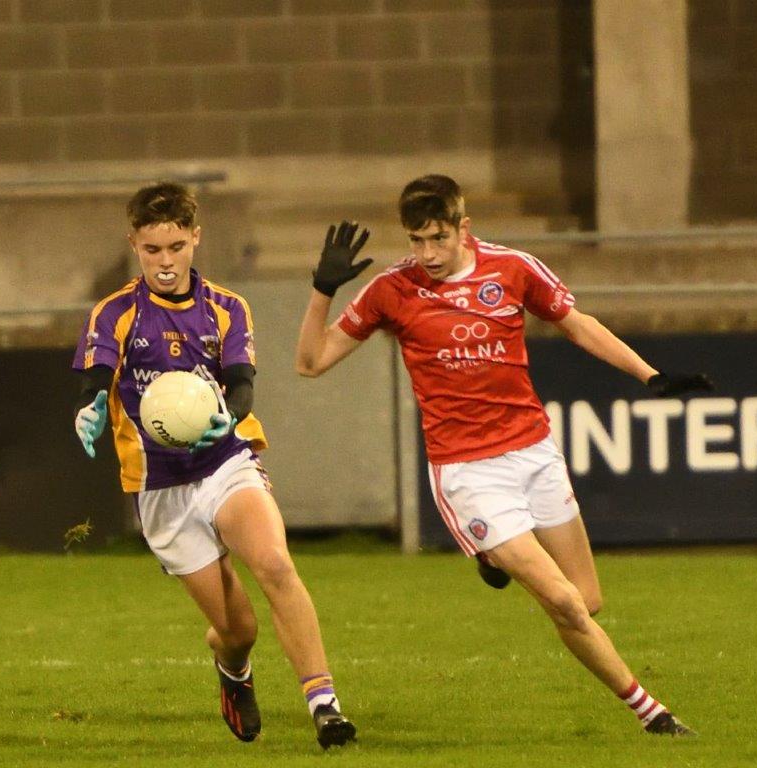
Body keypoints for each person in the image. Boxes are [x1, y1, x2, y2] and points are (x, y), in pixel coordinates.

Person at [295, 174, 712, 737]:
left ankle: (491, 557)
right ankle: (652, 714)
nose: (427, 254)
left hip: (534, 452)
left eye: (437, 238)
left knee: (587, 601)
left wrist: (650, 375)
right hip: (467, 472)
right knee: (563, 602)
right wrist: (322, 290)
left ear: (463, 228)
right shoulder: (392, 291)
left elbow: (577, 325)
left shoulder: (513, 268)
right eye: (416, 240)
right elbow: (312, 361)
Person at [72, 182, 356, 749]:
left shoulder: (226, 307)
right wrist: (91, 405)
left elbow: (242, 382)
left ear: (195, 238)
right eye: (153, 250)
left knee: (274, 563)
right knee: (238, 629)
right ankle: (233, 671)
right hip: (161, 488)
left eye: (176, 246)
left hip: (226, 461)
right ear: (135, 245)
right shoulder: (116, 312)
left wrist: (230, 415)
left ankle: (324, 704)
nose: (166, 261)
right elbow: (96, 373)